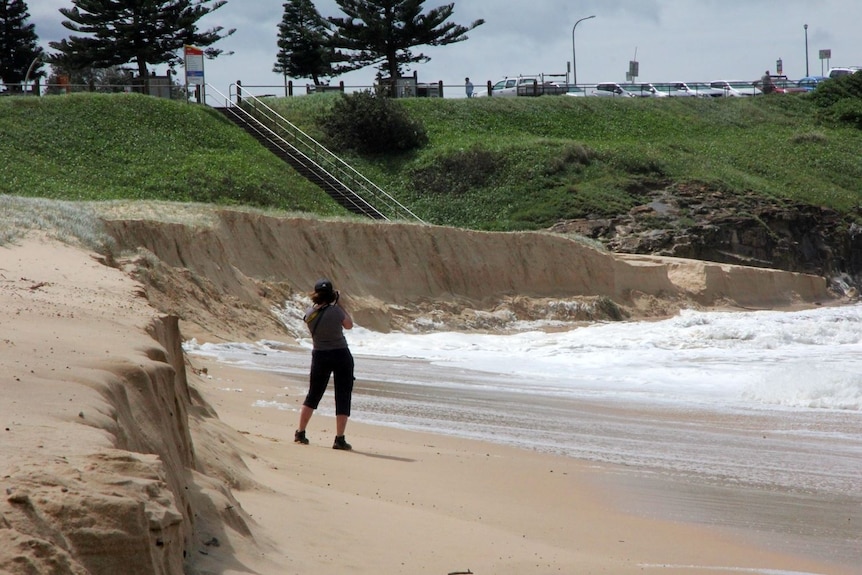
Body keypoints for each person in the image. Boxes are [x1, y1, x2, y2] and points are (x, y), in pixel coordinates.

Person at [294, 278, 355, 450]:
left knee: (313, 394)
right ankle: (339, 438)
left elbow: (309, 317)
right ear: (331, 294)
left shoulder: (310, 313)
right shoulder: (336, 311)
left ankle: (300, 432)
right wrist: (340, 303)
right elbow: (349, 325)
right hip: (340, 354)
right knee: (342, 395)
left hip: (320, 354)